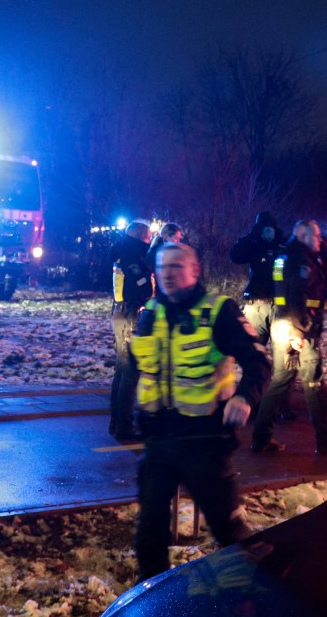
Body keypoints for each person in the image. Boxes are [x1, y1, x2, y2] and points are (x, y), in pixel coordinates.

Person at [130, 243, 270, 581]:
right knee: (149, 530)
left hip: (204, 442)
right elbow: (140, 367)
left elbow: (258, 361)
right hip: (159, 441)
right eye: (162, 267)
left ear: (195, 270)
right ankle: (153, 598)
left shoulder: (219, 311)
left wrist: (244, 398)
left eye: (177, 266)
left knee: (228, 528)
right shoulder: (150, 312)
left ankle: (273, 588)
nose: (168, 273)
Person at [251, 220, 327, 456]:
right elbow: (296, 297)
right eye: (316, 236)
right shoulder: (300, 260)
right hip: (296, 329)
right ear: (302, 235)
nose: (320, 240)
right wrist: (301, 331)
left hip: (286, 327)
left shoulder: (288, 255)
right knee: (314, 383)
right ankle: (326, 439)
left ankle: (260, 437)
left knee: (282, 381)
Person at [228, 211, 294, 420]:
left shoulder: (284, 245)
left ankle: (281, 405)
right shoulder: (254, 244)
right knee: (254, 356)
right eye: (264, 229)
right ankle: (254, 401)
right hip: (256, 305)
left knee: (284, 357)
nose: (268, 233)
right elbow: (235, 255)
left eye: (270, 229)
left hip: (279, 307)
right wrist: (252, 236)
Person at [108, 221, 154, 440]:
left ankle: (116, 421)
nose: (150, 240)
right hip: (130, 314)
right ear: (141, 236)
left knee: (121, 369)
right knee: (130, 371)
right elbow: (143, 287)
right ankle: (124, 427)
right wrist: (149, 280)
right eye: (148, 236)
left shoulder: (121, 253)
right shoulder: (133, 257)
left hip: (120, 312)